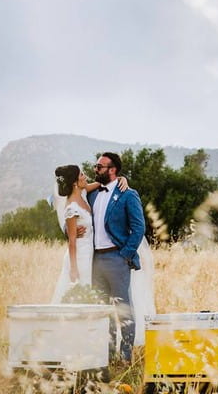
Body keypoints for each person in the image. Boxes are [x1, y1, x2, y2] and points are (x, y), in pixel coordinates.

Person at [87, 152, 148, 362]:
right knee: (101, 309)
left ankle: (125, 355)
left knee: (123, 308)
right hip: (95, 261)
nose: (95, 170)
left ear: (113, 170)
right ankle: (107, 353)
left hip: (117, 258)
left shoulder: (128, 195)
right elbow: (62, 197)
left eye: (99, 167)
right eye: (96, 166)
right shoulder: (92, 194)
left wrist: (125, 255)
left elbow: (139, 228)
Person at [50, 165, 129, 303]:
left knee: (88, 292)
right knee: (80, 292)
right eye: (82, 175)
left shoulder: (84, 193)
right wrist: (74, 268)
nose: (85, 176)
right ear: (75, 182)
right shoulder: (71, 208)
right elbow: (72, 242)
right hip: (79, 256)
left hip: (90, 254)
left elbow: (103, 182)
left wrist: (121, 179)